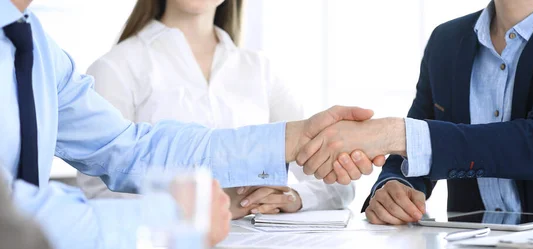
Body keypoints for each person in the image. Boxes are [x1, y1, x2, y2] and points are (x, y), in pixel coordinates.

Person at [0, 0, 383, 248]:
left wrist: (292, 143)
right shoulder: (118, 65)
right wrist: (185, 214)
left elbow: (129, 147)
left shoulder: (36, 44)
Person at [292, 0, 533, 224]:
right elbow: (417, 140)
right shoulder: (446, 41)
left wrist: (388, 133)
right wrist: (394, 186)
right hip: (469, 240)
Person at [76, 0, 355, 216]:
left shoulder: (261, 71)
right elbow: (99, 193)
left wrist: (292, 197)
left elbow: (337, 184)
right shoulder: (115, 68)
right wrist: (198, 207)